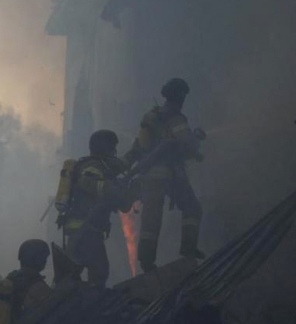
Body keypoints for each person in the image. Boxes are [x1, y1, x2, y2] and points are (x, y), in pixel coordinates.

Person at [125, 77, 206, 272]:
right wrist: (197, 137)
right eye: (184, 96)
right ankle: (188, 248)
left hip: (149, 177)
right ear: (180, 96)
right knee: (192, 208)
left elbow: (138, 147)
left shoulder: (150, 117)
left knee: (151, 218)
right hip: (171, 175)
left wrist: (125, 167)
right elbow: (188, 144)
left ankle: (146, 261)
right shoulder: (176, 118)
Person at [60, 130, 136, 286]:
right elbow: (88, 183)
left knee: (74, 273)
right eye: (112, 148)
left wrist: (136, 151)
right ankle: (89, 298)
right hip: (85, 228)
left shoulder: (102, 166)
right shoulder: (93, 166)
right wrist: (115, 189)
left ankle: (74, 295)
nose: (114, 152)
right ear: (105, 148)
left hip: (86, 229)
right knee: (99, 271)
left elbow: (120, 167)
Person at [0, 239, 52, 324]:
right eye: (44, 257)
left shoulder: (11, 277)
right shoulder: (38, 286)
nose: (45, 261)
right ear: (37, 258)